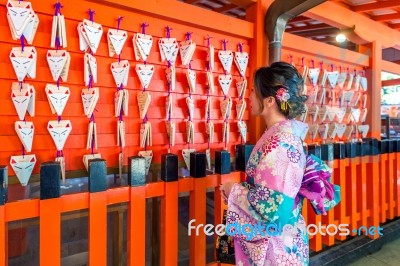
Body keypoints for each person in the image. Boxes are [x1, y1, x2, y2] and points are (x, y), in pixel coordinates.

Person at [220, 62, 340, 266]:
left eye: (253, 92)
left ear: (268, 101)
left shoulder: (280, 142)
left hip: (275, 247)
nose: (249, 97)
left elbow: (274, 205)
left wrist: (234, 190)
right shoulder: (280, 136)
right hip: (279, 240)